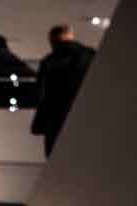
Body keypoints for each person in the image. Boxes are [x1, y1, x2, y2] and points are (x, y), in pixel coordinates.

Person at [31, 23, 96, 158]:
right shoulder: (92, 56)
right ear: (70, 36)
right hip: (88, 117)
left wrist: (41, 121)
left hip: (56, 121)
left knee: (56, 159)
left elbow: (40, 94)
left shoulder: (49, 61)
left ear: (52, 40)